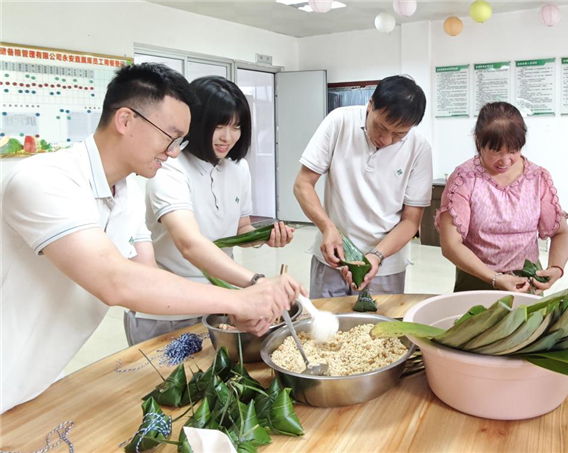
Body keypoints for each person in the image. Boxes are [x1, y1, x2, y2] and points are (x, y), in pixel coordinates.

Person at [0, 64, 305, 413]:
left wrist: (231, 306)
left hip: (39, 376)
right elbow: (116, 281)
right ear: (125, 120)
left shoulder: (126, 192)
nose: (174, 152)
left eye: (180, 141)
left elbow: (147, 278)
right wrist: (242, 298)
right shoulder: (44, 180)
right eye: (169, 137)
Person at [127, 76, 294, 345]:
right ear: (195, 122)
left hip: (219, 300)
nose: (228, 137)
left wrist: (263, 237)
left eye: (236, 127)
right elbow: (189, 244)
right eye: (219, 126)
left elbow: (240, 228)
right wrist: (256, 281)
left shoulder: (238, 168)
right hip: (167, 307)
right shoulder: (169, 168)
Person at [293, 75, 432, 298]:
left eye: (399, 134)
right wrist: (327, 228)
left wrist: (376, 256)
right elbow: (303, 184)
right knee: (325, 319)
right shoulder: (339, 122)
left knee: (380, 320)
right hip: (333, 256)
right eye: (380, 127)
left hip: (386, 264)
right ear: (370, 104)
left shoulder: (419, 149)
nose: (386, 140)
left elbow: (411, 220)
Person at [435, 102, 568, 293]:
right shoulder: (464, 179)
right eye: (496, 152)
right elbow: (451, 244)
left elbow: (560, 233)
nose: (505, 161)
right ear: (478, 141)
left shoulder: (537, 178)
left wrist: (556, 268)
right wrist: (495, 278)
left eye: (513, 151)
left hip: (526, 280)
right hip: (477, 279)